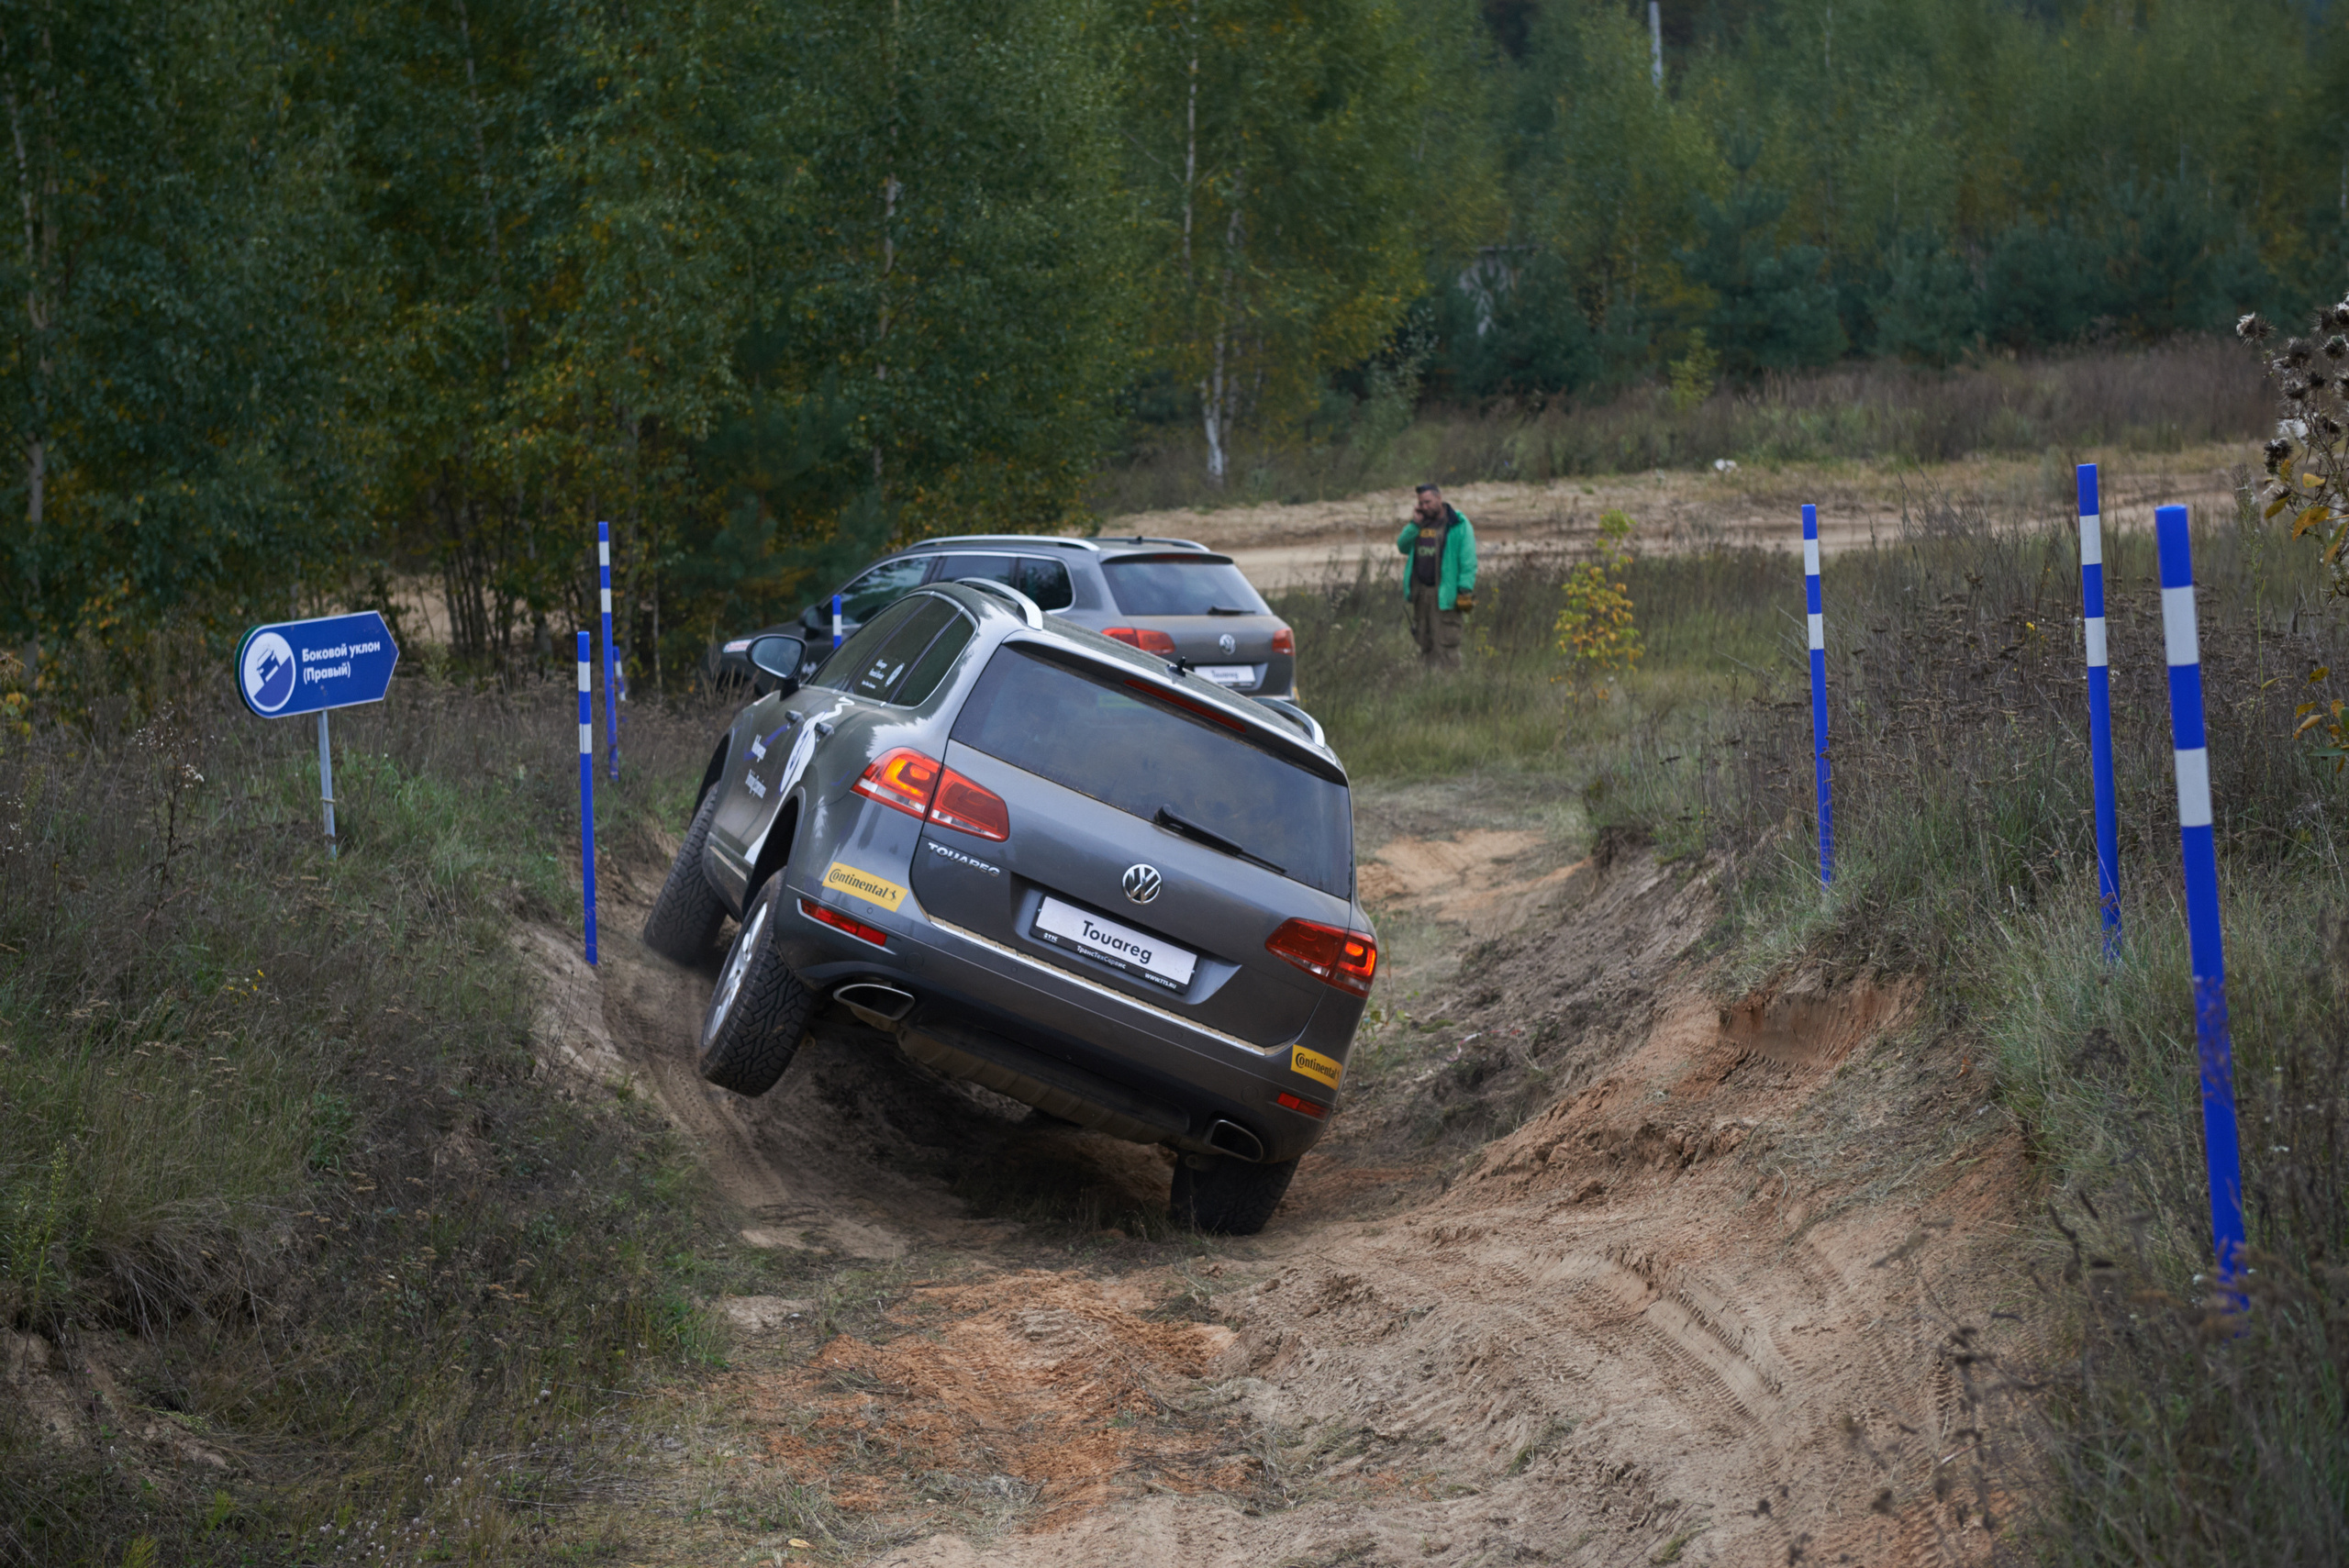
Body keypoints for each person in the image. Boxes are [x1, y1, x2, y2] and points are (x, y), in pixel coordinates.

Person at [1395, 483, 1476, 668]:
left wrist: (1465, 590)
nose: (1424, 507)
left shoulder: (1459, 524)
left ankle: (1452, 688)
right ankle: (1428, 688)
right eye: (1421, 503)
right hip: (1421, 594)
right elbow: (1402, 546)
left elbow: (1468, 561)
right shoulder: (1419, 524)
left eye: (1428, 502)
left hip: (1446, 595)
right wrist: (1414, 523)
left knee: (1447, 644)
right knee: (1424, 644)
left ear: (1439, 498)